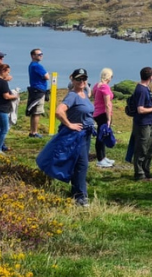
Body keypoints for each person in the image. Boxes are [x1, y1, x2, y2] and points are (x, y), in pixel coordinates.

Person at [57, 69, 95, 206]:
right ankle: (80, 197)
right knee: (81, 164)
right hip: (77, 135)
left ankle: (76, 192)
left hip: (86, 134)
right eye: (78, 79)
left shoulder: (84, 93)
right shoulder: (72, 95)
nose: (82, 81)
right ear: (72, 79)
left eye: (84, 78)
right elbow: (58, 111)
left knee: (79, 163)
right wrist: (70, 125)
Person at [130, 67, 152, 181]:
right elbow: (140, 109)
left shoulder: (145, 88)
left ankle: (146, 171)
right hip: (143, 124)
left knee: (149, 148)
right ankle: (139, 174)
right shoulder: (141, 90)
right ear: (150, 76)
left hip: (149, 122)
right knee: (141, 148)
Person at [0, 63, 19, 153]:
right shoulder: (2, 82)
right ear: (3, 71)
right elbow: (6, 96)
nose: (8, 75)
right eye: (7, 72)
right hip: (1, 108)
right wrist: (15, 96)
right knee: (4, 129)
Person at [92, 68, 116, 168]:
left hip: (97, 112)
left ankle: (103, 157)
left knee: (102, 135)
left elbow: (94, 96)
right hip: (103, 114)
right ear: (109, 77)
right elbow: (107, 104)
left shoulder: (97, 86)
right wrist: (108, 118)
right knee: (101, 136)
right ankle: (100, 159)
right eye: (111, 76)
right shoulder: (105, 87)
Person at [26, 48, 51, 138]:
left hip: (35, 89)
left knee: (34, 112)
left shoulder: (32, 65)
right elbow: (47, 76)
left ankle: (32, 131)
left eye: (41, 54)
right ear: (33, 56)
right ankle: (34, 132)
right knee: (37, 112)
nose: (41, 56)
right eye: (39, 54)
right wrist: (47, 74)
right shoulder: (37, 66)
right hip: (39, 90)